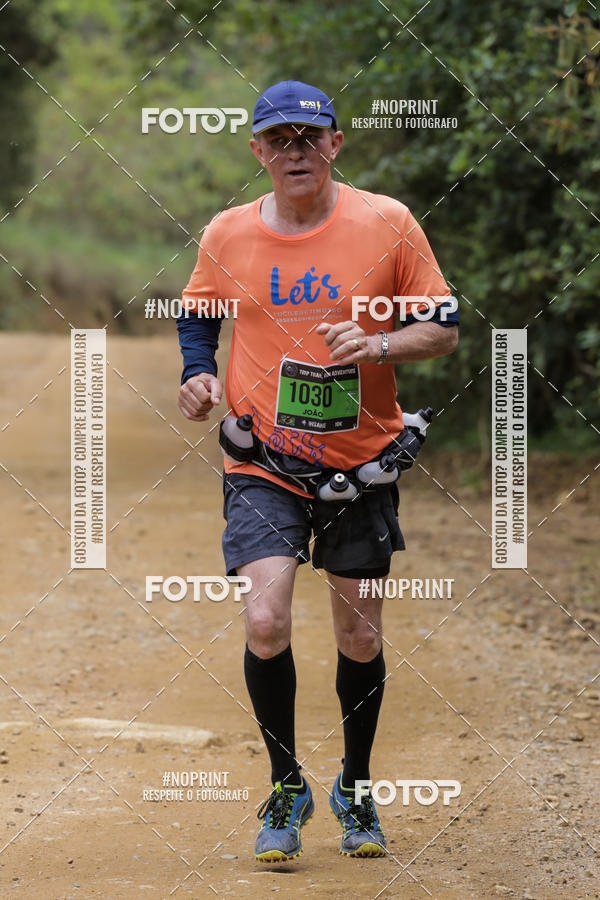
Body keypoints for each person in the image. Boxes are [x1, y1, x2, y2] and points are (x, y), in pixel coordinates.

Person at [177, 80, 458, 862]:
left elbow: (443, 329)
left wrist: (380, 346)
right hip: (263, 460)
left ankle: (356, 789)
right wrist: (195, 374)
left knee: (359, 633)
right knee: (265, 621)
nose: (295, 152)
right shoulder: (229, 233)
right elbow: (197, 313)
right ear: (258, 152)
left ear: (336, 144)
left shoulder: (388, 223)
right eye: (279, 140)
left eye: (310, 138)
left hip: (360, 463)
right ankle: (286, 784)